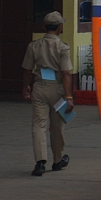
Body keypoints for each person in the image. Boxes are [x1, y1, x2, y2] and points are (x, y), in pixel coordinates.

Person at [21, 11, 74, 176]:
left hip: (40, 87)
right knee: (57, 127)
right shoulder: (63, 47)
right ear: (60, 27)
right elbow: (66, 73)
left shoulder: (34, 46)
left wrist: (25, 87)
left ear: (44, 27)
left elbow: (27, 70)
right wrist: (69, 97)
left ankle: (40, 162)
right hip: (58, 89)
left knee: (39, 125)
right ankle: (57, 160)